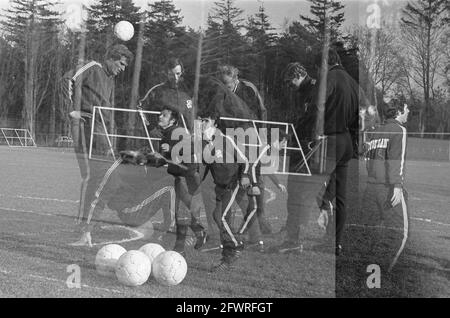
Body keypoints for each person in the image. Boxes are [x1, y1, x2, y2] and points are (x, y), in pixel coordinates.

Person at [275, 49, 360, 256]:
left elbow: (315, 113)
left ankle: (293, 239)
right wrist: (355, 145)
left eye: (289, 82)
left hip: (326, 142)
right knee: (338, 195)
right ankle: (334, 242)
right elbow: (360, 114)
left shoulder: (325, 80)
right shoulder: (352, 82)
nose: (289, 87)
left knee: (297, 189)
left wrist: (291, 136)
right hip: (345, 141)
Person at [62, 44, 134, 247]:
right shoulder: (92, 66)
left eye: (125, 66)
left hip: (102, 134)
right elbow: (67, 79)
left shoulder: (110, 80)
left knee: (111, 179)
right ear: (111, 57)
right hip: (85, 128)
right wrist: (70, 111)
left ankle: (90, 225)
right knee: (94, 177)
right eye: (121, 63)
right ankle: (85, 228)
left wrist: (112, 138)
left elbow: (106, 111)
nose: (122, 69)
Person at [216, 64, 275, 237]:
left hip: (250, 135)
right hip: (230, 137)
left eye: (226, 84)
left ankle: (260, 214)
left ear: (235, 79)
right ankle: (228, 221)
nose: (224, 87)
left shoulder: (248, 89)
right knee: (232, 176)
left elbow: (261, 110)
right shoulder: (220, 93)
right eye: (221, 84)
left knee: (256, 176)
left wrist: (262, 137)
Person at [198, 111, 259, 272]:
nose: (202, 123)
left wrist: (245, 176)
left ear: (215, 124)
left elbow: (245, 160)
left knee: (223, 217)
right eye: (201, 120)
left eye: (206, 120)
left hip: (235, 183)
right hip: (221, 187)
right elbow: (204, 168)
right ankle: (228, 256)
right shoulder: (204, 144)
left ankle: (235, 247)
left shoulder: (225, 140)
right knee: (217, 216)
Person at [361, 98, 410, 271]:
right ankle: (381, 272)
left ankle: (368, 272)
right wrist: (397, 186)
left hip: (370, 187)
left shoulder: (376, 131)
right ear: (398, 111)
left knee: (368, 231)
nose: (408, 111)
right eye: (406, 108)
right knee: (400, 234)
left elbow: (367, 158)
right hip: (387, 188)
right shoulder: (399, 130)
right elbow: (397, 160)